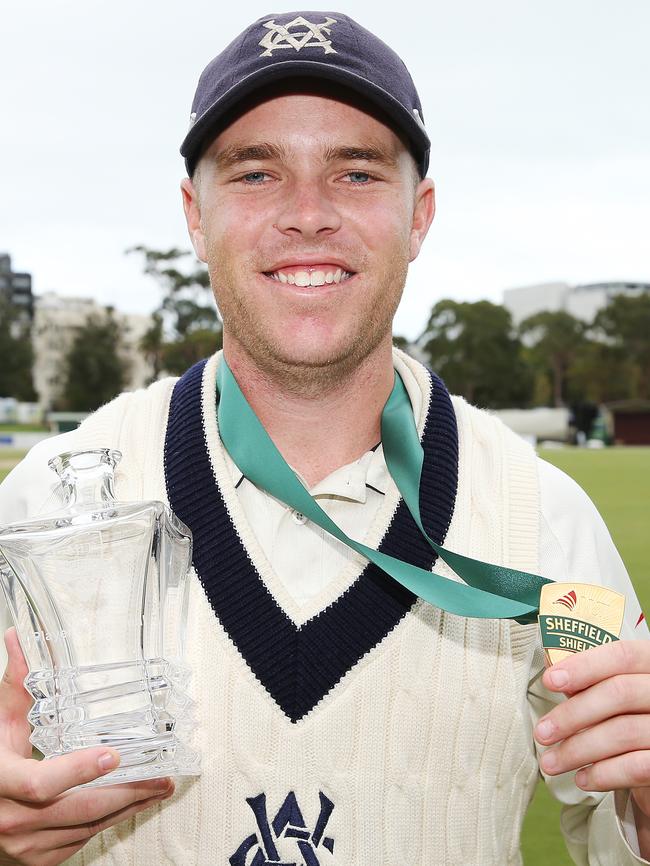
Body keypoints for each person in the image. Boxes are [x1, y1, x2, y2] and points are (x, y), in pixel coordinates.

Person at [0, 10, 649, 865]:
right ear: (196, 216)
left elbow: (617, 831)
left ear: (419, 216)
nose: (308, 215)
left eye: (355, 173)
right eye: (258, 173)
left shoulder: (547, 520)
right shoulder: (50, 501)